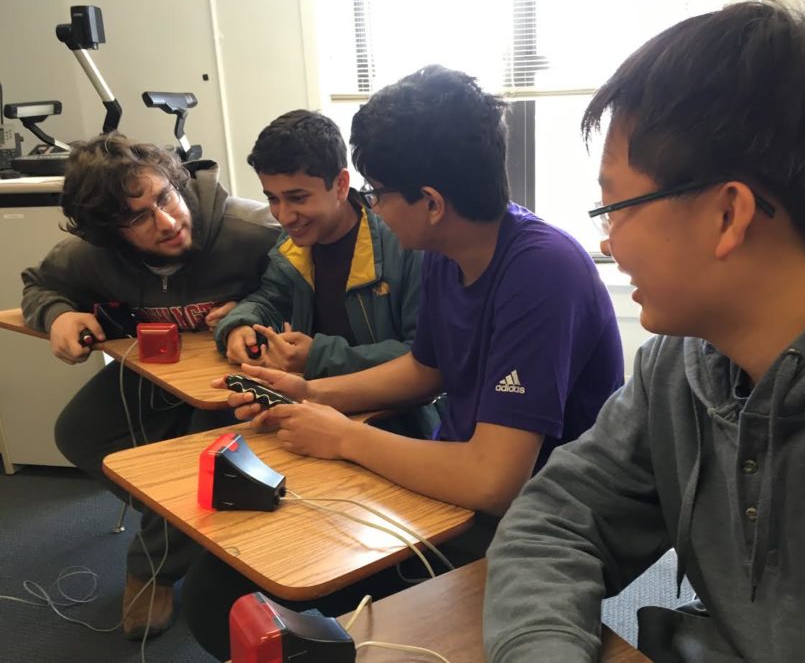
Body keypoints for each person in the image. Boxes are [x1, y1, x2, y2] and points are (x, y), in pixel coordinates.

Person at [483, 0, 805, 663]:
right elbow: (556, 518)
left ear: (727, 213)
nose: (607, 241)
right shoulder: (678, 368)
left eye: (615, 207)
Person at [182, 65, 624, 660]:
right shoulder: (446, 248)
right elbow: (426, 370)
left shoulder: (543, 271)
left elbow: (495, 480)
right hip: (456, 484)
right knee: (218, 587)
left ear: (432, 202)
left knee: (243, 600)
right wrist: (309, 394)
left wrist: (342, 438)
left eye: (378, 191)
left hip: (530, 522)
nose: (374, 206)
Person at [21, 133, 279, 639]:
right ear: (108, 234)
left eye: (164, 197)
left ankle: (152, 567)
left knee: (205, 462)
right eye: (138, 217)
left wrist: (259, 308)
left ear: (175, 183)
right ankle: (189, 523)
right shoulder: (89, 255)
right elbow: (38, 283)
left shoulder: (252, 231)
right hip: (154, 373)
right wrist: (57, 315)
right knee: (78, 432)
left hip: (236, 386)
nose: (165, 221)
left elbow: (309, 281)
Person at [211, 109, 437, 437]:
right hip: (310, 415)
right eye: (272, 198)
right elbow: (269, 299)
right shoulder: (293, 246)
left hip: (398, 427)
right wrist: (239, 326)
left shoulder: (406, 245)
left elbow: (424, 357)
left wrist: (317, 357)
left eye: (298, 198)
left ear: (341, 184)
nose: (284, 215)